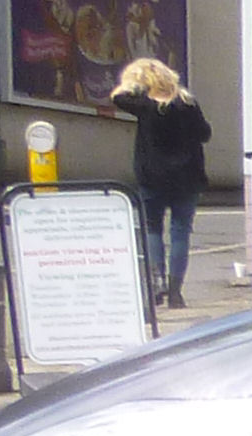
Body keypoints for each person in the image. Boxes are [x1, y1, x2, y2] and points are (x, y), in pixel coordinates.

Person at [108, 58, 210, 311]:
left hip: (152, 178)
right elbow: (205, 134)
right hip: (187, 178)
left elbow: (117, 98)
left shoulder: (144, 106)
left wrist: (135, 84)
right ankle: (176, 292)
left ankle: (157, 284)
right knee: (180, 232)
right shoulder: (187, 104)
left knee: (152, 229)